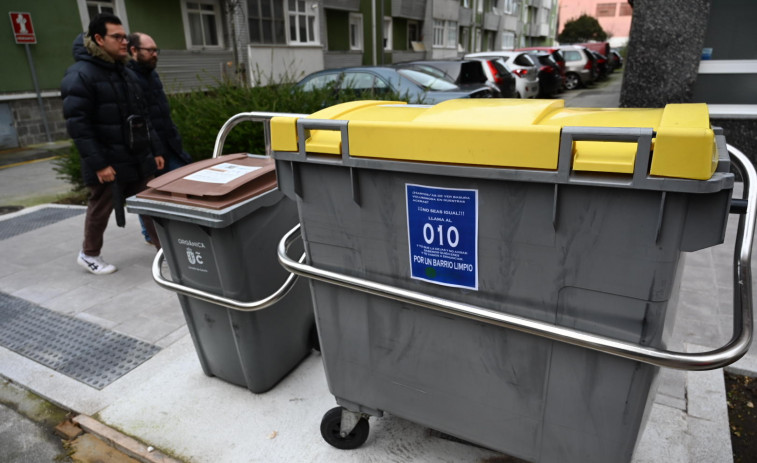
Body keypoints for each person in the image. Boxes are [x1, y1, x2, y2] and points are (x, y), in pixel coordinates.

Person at [61, 13, 164, 275]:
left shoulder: (124, 72)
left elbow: (143, 114)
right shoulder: (80, 75)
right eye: (116, 37)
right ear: (98, 38)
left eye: (124, 36)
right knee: (101, 207)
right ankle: (89, 254)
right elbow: (78, 126)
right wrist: (99, 163)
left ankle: (164, 249)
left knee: (150, 203)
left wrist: (155, 150)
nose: (123, 42)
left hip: (137, 154)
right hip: (107, 160)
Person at [126, 32, 193, 245]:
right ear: (134, 51)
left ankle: (161, 233)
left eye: (156, 50)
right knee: (151, 191)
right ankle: (153, 235)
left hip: (168, 143)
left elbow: (162, 113)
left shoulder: (151, 75)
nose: (155, 54)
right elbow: (142, 119)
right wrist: (154, 151)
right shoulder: (129, 78)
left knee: (176, 183)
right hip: (152, 148)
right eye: (150, 50)